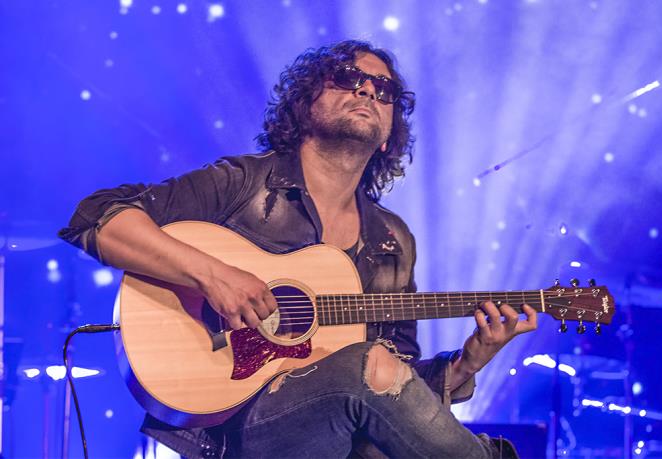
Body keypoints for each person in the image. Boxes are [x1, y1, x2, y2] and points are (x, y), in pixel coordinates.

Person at [59, 40, 537, 458]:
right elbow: (96, 218)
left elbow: (396, 385)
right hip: (234, 427)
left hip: (339, 431)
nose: (368, 92)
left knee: (371, 366)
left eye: (385, 90)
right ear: (305, 103)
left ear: (388, 136)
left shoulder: (392, 240)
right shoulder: (243, 184)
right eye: (349, 78)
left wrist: (466, 364)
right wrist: (213, 275)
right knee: (364, 362)